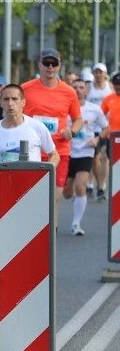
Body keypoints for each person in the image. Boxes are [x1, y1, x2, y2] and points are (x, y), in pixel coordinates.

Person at [21, 48, 82, 225]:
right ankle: (41, 231)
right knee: (35, 196)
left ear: (59, 66)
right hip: (32, 151)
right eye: (46, 63)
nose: (50, 66)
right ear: (39, 64)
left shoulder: (69, 92)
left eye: (53, 63)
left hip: (59, 151)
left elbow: (77, 119)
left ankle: (47, 234)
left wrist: (72, 132)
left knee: (54, 196)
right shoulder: (26, 89)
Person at [0, 84, 59, 184]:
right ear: (1, 102)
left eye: (14, 99)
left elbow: (54, 154)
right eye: (6, 99)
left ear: (23, 102)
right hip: (4, 188)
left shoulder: (37, 127)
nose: (10, 103)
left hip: (31, 189)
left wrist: (46, 172)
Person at [65, 79, 108, 235]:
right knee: (67, 193)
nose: (78, 90)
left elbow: (106, 127)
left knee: (80, 185)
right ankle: (76, 198)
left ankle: (76, 224)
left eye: (81, 87)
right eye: (74, 87)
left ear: (86, 90)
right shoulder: (65, 107)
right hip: (67, 153)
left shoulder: (94, 109)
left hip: (85, 152)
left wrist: (97, 139)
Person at [99, 73, 120, 198]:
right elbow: (100, 115)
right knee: (109, 162)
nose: (118, 87)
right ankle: (104, 187)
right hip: (111, 138)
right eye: (116, 84)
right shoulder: (108, 99)